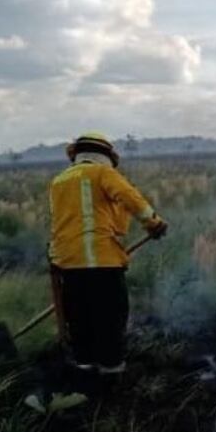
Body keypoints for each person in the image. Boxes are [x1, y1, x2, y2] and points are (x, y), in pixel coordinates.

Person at [24, 132, 168, 413]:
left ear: (77, 154)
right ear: (106, 156)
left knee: (80, 321)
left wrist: (56, 259)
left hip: (68, 263)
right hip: (101, 262)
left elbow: (62, 223)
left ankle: (84, 375)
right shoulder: (102, 174)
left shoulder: (59, 181)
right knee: (110, 318)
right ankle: (112, 380)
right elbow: (130, 197)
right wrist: (153, 222)